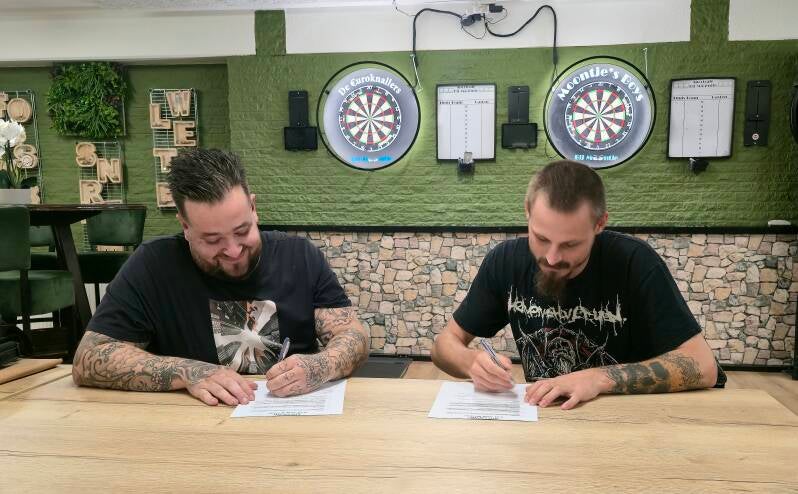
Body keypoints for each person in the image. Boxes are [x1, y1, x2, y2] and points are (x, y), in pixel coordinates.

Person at [72, 148, 369, 406]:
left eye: (242, 231)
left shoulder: (299, 256)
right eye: (212, 240)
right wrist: (190, 372)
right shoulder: (152, 265)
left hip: (291, 419)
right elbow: (89, 358)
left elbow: (353, 336)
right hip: (189, 428)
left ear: (253, 208)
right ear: (185, 226)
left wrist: (321, 365)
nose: (233, 250)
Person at [431, 160, 724, 410]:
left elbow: (703, 365)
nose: (551, 257)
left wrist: (598, 379)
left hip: (630, 421)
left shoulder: (636, 263)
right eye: (541, 238)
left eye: (570, 245)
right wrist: (470, 362)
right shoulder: (505, 261)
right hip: (549, 420)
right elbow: (444, 345)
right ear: (527, 211)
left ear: (600, 224)